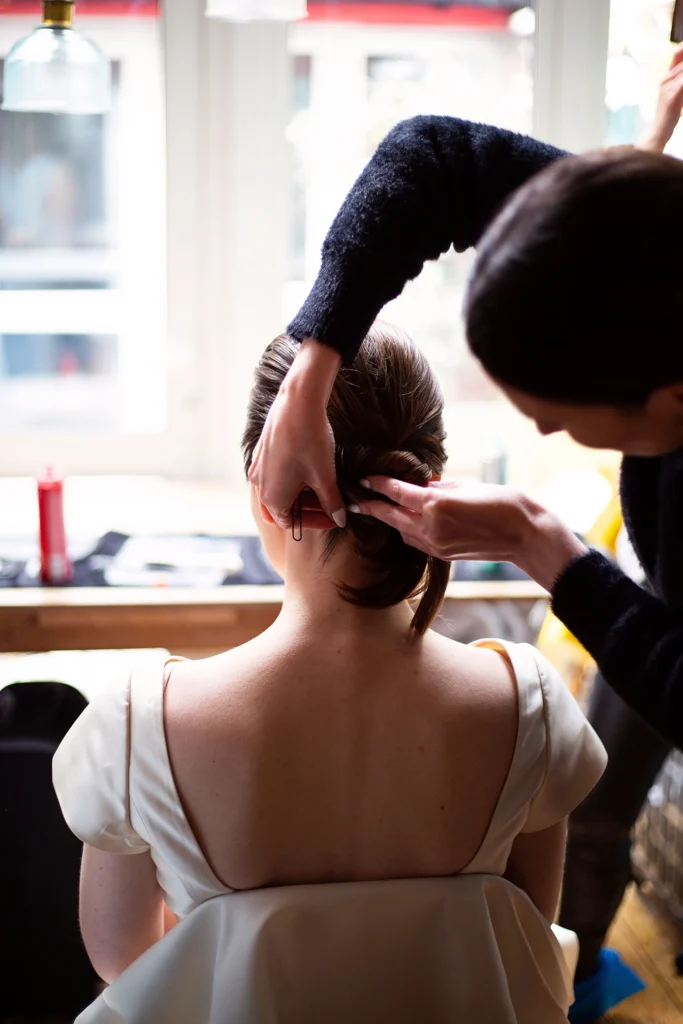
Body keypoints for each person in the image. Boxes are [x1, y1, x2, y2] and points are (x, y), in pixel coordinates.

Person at [247, 44, 683, 1020]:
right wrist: (315, 360)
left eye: (562, 418)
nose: (537, 431)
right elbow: (429, 157)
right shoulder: (638, 237)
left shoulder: (134, 730)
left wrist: (542, 544)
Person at [52, 325, 606, 1023]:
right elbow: (526, 937)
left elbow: (128, 965)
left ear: (265, 487)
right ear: (433, 489)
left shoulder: (138, 726)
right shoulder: (526, 707)